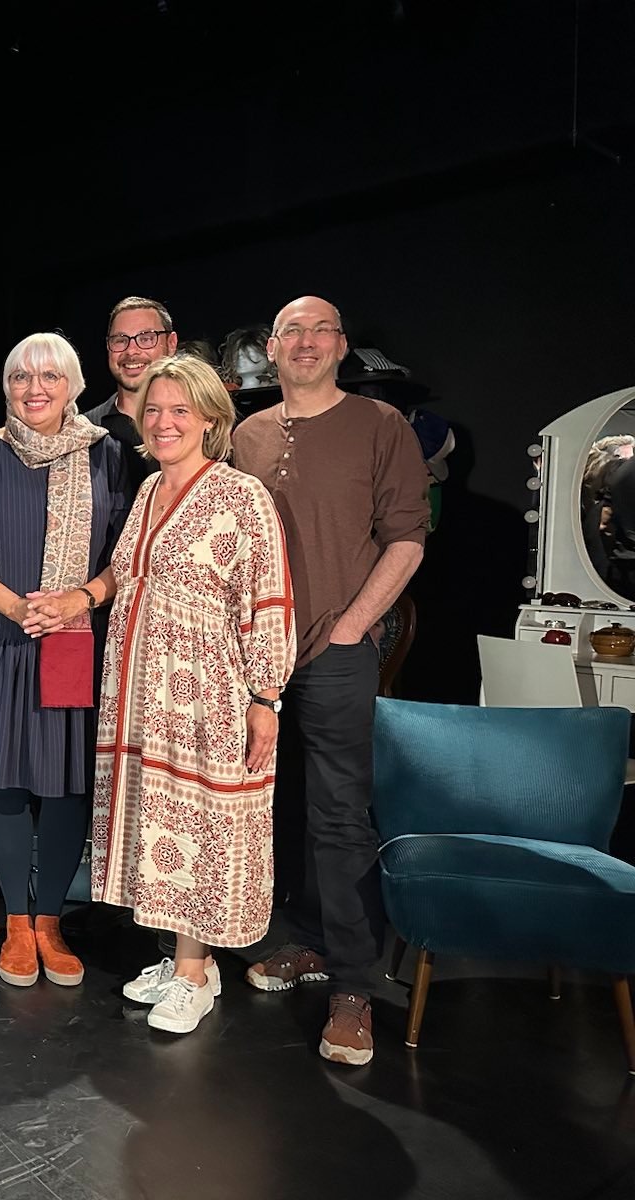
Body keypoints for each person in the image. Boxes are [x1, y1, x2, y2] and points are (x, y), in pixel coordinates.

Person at [231, 295, 428, 1066]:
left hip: (337, 651)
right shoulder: (247, 434)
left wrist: (352, 627)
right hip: (256, 655)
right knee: (276, 808)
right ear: (272, 350)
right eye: (291, 332)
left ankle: (356, 985)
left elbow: (406, 540)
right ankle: (308, 943)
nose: (306, 342)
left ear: (342, 346)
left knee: (341, 813)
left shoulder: (382, 428)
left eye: (320, 330)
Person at [92, 355, 295, 1035]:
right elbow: (127, 575)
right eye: (154, 409)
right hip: (139, 686)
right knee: (159, 822)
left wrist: (266, 696)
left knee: (200, 821)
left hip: (205, 689)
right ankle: (185, 960)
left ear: (211, 418)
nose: (164, 421)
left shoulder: (241, 495)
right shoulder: (148, 490)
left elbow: (265, 598)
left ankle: (193, 974)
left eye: (181, 409)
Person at [0, 333, 127, 988]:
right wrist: (20, 609)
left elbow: (123, 560)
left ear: (74, 385)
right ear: (6, 386)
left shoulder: (108, 458)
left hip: (74, 642)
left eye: (50, 376)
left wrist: (81, 596)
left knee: (67, 785)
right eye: (21, 376)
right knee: (9, 786)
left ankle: (51, 922)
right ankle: (17, 921)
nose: (35, 388)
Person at [80, 296, 180, 501]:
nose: (131, 351)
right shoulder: (83, 432)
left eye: (145, 338)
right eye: (120, 340)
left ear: (171, 344)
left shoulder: (200, 426)